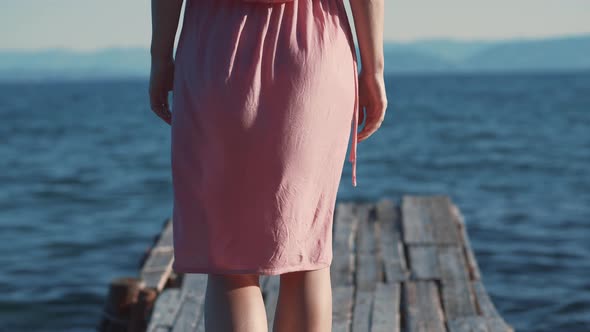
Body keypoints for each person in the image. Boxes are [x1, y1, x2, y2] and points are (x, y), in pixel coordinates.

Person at [149, 0, 386, 330]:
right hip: (315, 48)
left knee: (229, 263)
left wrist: (160, 57)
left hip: (217, 49)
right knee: (307, 254)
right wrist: (373, 68)